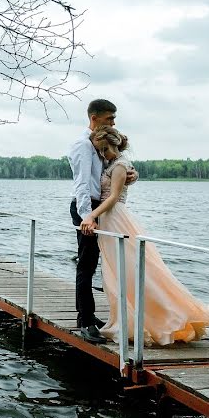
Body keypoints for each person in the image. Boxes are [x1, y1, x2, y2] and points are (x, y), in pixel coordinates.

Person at [81, 127, 209, 345]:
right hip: (108, 220)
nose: (102, 154)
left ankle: (160, 316)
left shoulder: (120, 164)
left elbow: (113, 197)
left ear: (111, 146)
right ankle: (125, 318)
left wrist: (91, 216)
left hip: (115, 218)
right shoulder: (112, 163)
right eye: (99, 151)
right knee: (115, 273)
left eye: (103, 150)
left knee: (130, 269)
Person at [68, 99, 136, 344]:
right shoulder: (83, 146)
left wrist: (130, 174)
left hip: (99, 209)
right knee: (86, 264)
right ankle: (85, 321)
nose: (114, 122)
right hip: (87, 209)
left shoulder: (100, 143)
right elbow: (83, 185)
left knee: (94, 263)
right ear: (94, 118)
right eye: (109, 118)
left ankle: (86, 315)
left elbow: (110, 172)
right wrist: (87, 216)